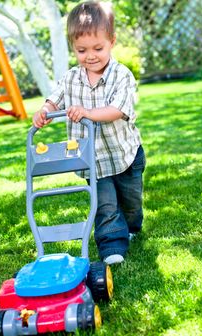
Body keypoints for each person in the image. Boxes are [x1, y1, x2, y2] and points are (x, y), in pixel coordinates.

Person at [33, 1, 146, 265]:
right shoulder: (71, 77)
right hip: (92, 160)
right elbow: (55, 98)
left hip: (125, 154)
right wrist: (44, 110)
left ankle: (132, 227)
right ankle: (111, 246)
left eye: (98, 48)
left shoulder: (122, 75)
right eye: (82, 50)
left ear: (112, 41)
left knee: (130, 203)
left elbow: (118, 110)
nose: (90, 56)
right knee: (105, 206)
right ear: (74, 46)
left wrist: (85, 112)